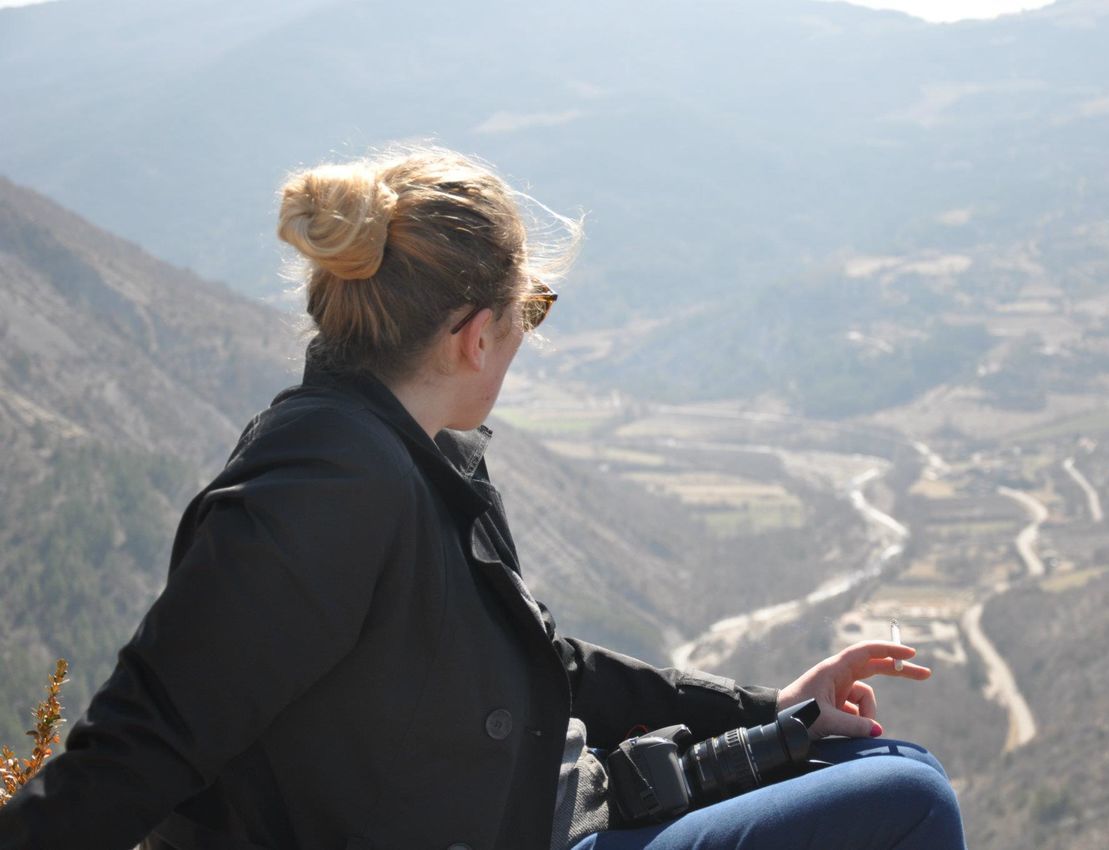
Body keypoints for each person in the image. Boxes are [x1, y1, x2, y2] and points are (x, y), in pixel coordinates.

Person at [0, 147, 965, 850]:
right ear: (474, 334)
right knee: (912, 808)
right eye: (529, 312)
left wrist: (766, 707)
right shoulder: (325, 489)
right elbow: (141, 747)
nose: (524, 338)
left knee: (892, 770)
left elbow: (545, 669)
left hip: (569, 807)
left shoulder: (412, 454)